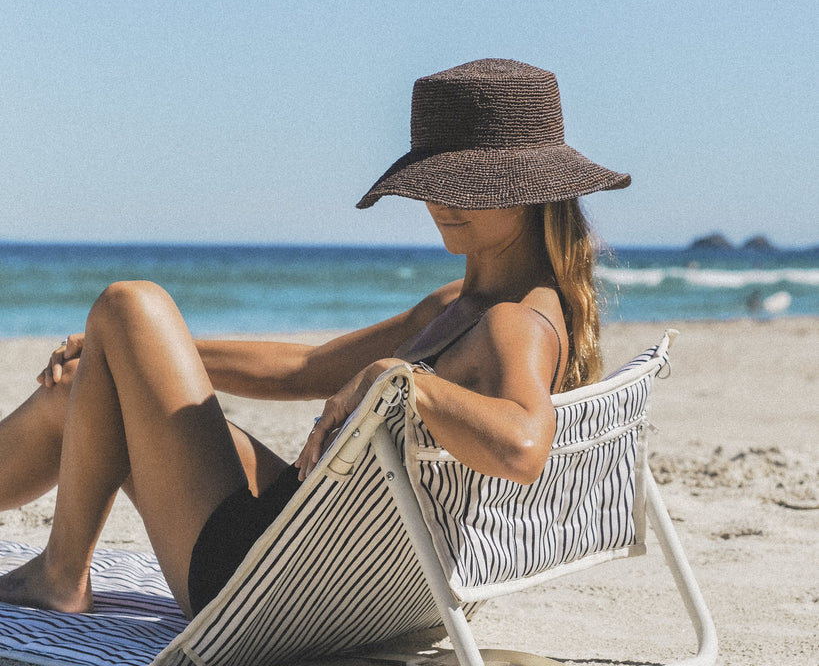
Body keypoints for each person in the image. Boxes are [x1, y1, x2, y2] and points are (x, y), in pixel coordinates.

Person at [0, 58, 630, 620]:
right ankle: (63, 564)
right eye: (434, 179)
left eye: (469, 184)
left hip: (264, 577)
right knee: (86, 387)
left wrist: (398, 380)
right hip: (325, 556)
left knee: (128, 302)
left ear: (533, 191)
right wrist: (133, 358)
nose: (442, 201)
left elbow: (523, 446)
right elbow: (306, 367)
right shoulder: (465, 304)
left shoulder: (513, 321)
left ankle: (60, 575)